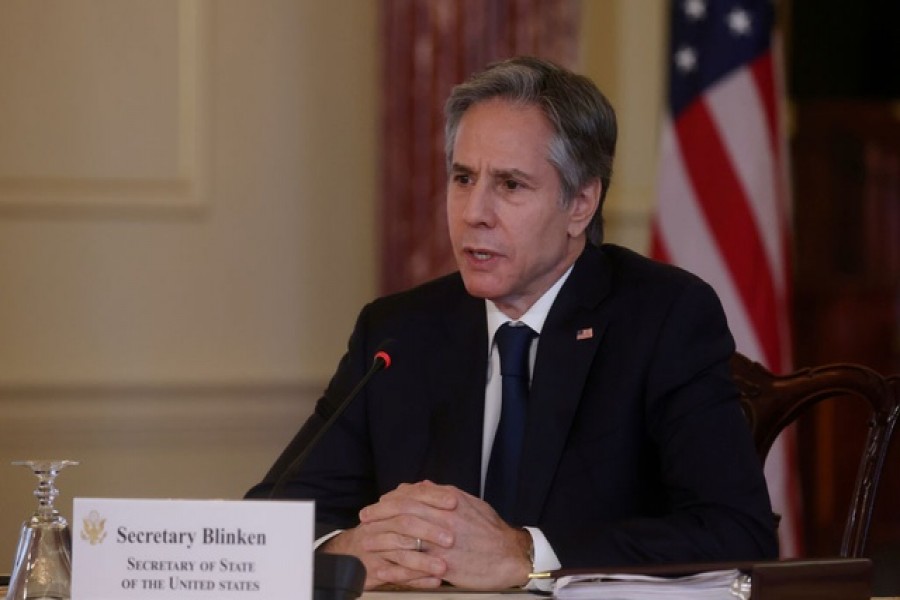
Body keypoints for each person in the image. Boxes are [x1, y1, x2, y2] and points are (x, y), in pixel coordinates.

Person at [245, 56, 778, 591]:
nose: (474, 211)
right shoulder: (398, 332)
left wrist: (530, 555)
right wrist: (346, 549)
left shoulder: (664, 317)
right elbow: (268, 521)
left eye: (510, 185)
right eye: (463, 177)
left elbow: (735, 530)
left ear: (581, 204)